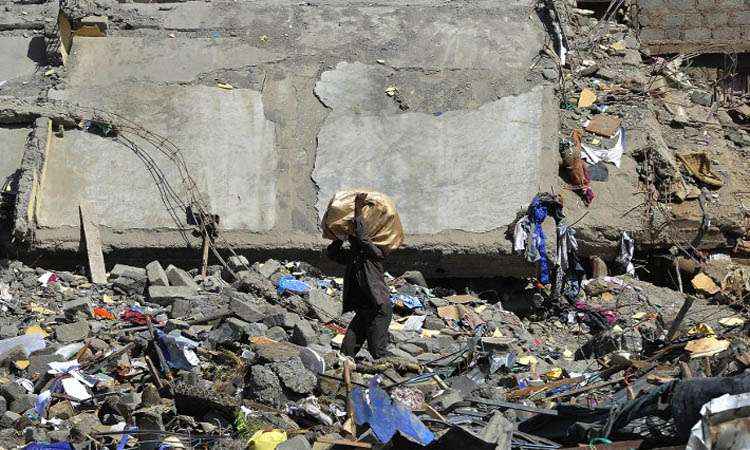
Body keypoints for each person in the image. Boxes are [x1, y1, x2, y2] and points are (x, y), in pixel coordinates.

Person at [327, 192, 392, 359]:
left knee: (377, 351)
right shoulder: (354, 258)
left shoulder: (375, 254)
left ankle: (392, 380)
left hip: (379, 310)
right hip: (363, 311)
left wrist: (357, 209)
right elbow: (333, 254)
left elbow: (363, 239)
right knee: (347, 350)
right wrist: (339, 237)